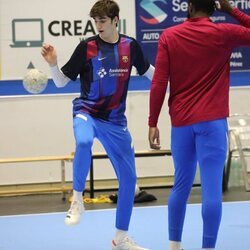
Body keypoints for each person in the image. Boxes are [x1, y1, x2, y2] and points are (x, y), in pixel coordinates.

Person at [41, 0, 154, 249]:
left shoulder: (130, 46)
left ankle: (121, 238)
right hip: (87, 112)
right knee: (83, 140)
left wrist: (177, 77)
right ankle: (78, 199)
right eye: (96, 21)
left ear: (115, 21)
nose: (99, 25)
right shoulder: (87, 47)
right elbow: (61, 82)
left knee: (129, 180)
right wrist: (52, 63)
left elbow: (150, 74)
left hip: (115, 121)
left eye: (103, 20)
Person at [148, 0, 250, 250]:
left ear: (190, 7)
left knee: (180, 185)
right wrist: (232, 10)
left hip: (181, 124)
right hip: (213, 123)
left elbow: (159, 81)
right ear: (214, 8)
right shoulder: (224, 32)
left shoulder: (169, 36)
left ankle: (174, 246)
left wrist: (153, 121)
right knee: (212, 189)